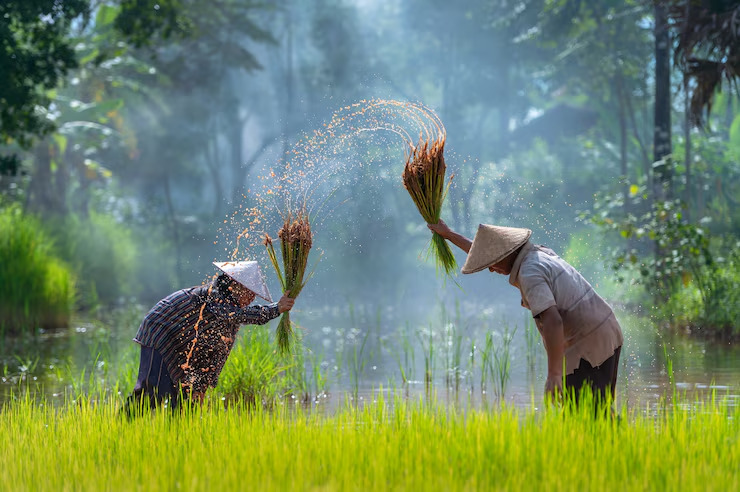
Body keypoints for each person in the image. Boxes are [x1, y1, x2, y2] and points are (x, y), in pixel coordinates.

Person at [428, 220, 623, 406]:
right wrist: (450, 235)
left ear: (504, 254)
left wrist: (554, 375)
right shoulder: (537, 254)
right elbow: (488, 254)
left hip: (588, 342)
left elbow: (553, 321)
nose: (490, 268)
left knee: (585, 416)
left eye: (492, 261)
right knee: (596, 413)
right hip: (605, 330)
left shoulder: (530, 272)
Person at [124, 261, 294, 414]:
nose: (252, 298)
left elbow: (217, 351)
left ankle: (180, 439)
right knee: (154, 389)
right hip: (161, 330)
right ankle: (124, 424)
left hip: (183, 342)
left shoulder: (229, 311)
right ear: (235, 286)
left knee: (188, 397)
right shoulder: (216, 297)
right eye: (250, 292)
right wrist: (275, 309)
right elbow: (237, 315)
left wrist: (202, 384)